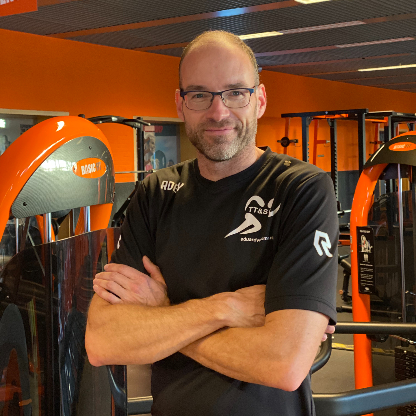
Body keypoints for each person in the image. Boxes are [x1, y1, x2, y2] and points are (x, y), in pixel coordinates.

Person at [86, 30, 338, 416]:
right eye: (200, 95)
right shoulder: (156, 193)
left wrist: (164, 310)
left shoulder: (301, 189)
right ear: (180, 103)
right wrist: (224, 309)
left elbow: (284, 363)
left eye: (236, 93)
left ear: (260, 100)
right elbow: (104, 341)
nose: (218, 112)